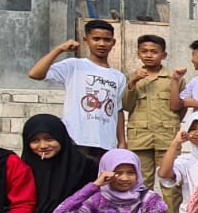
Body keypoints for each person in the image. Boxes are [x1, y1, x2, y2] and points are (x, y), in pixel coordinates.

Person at [29, 19, 126, 159]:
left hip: (106, 142)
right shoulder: (74, 66)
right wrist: (59, 49)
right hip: (76, 139)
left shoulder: (118, 76)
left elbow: (118, 109)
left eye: (106, 40)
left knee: (100, 173)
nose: (101, 44)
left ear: (113, 42)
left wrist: (122, 142)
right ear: (86, 40)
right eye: (96, 39)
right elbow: (35, 74)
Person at [122, 34, 180, 213]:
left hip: (167, 138)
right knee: (139, 184)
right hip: (140, 138)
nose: (148, 55)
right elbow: (126, 106)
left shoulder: (173, 78)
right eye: (144, 51)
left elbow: (179, 108)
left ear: (164, 55)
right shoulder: (132, 77)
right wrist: (132, 82)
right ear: (138, 54)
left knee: (170, 184)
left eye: (154, 52)